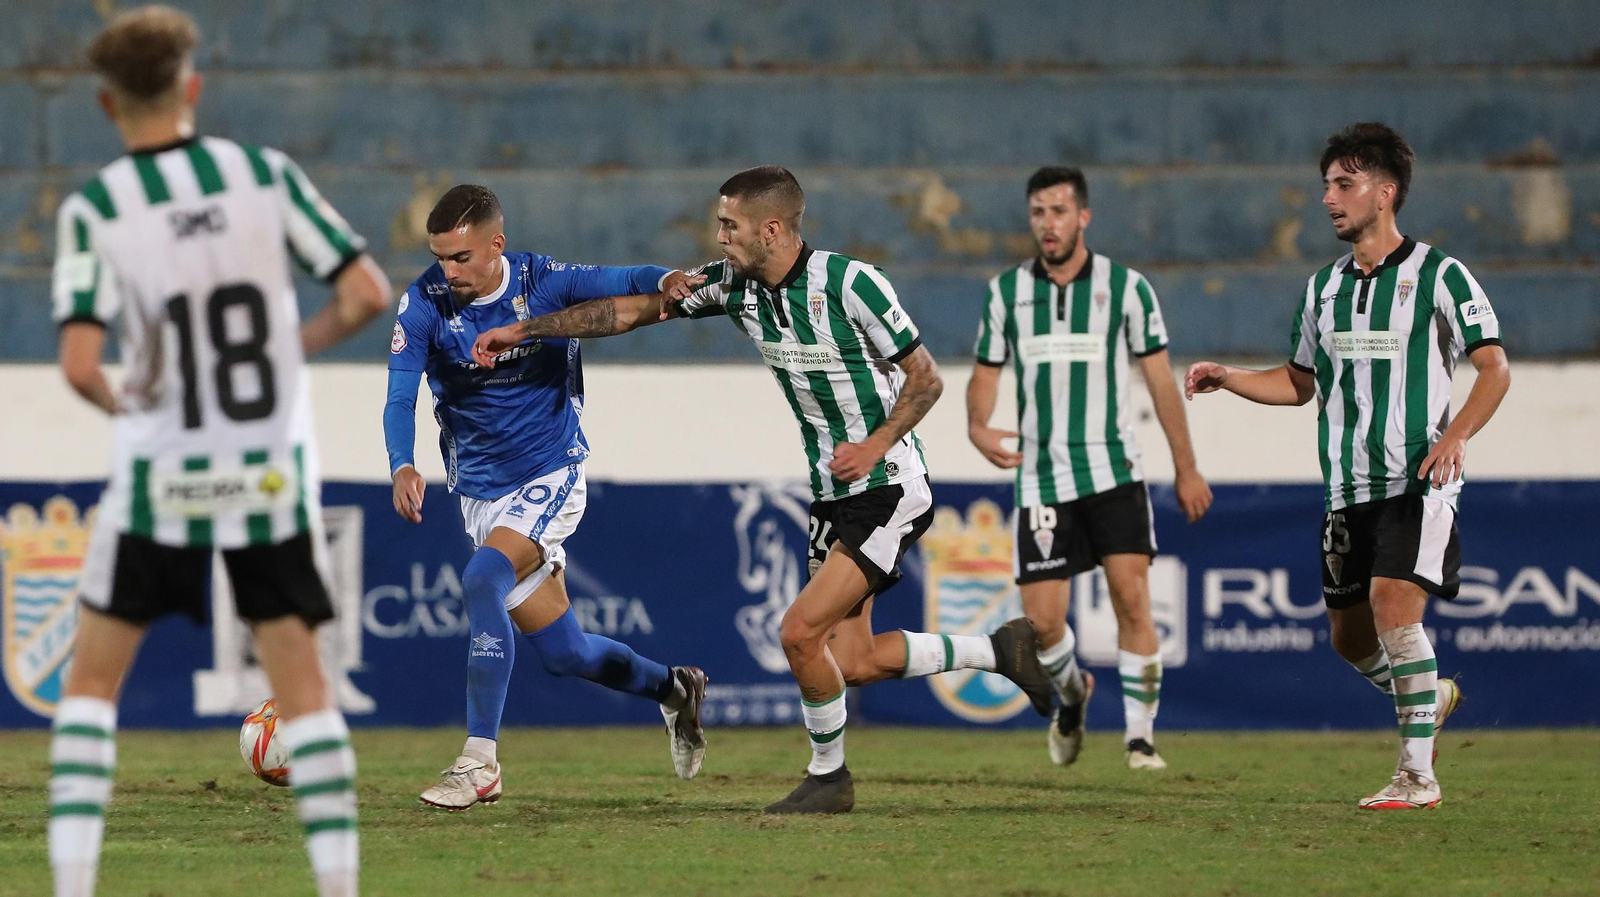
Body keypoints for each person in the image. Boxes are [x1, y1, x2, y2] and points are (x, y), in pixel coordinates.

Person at [472, 166, 1055, 814]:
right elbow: (633, 311)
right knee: (850, 660)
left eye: (730, 226)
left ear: (771, 229)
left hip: (889, 485)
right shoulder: (734, 286)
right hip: (832, 493)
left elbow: (926, 378)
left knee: (798, 633)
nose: (720, 237)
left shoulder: (850, 283)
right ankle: (999, 649)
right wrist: (526, 330)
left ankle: (829, 779)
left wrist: (874, 445)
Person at [47, 7, 391, 896]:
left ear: (106, 104)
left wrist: (129, 402)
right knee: (304, 690)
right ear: (192, 88)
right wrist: (291, 351)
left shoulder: (96, 209)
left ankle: (73, 884)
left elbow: (80, 365)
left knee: (90, 689)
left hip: (159, 475)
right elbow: (365, 291)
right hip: (265, 473)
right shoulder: (262, 175)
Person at [1185, 122, 1510, 809]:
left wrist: (1455, 436)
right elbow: (1299, 382)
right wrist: (1229, 375)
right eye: (1326, 185)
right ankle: (1429, 697)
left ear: (1385, 193)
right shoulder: (1322, 289)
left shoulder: (1440, 275)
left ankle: (1417, 776)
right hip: (1346, 487)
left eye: (1344, 184)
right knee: (1349, 638)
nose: (1329, 198)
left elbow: (1494, 368)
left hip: (1417, 478)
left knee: (1394, 608)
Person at [383, 185, 709, 810]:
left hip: (549, 473)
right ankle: (674, 688)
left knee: (482, 579)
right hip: (481, 494)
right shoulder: (423, 303)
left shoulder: (544, 281)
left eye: (461, 258)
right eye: (440, 258)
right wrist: (402, 464)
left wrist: (666, 278)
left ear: (496, 246)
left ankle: (479, 762)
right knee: (567, 654)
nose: (448, 272)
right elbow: (400, 397)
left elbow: (623, 278)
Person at [967, 167, 1213, 771]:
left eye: (1058, 211)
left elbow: (1160, 382)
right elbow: (986, 375)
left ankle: (1140, 739)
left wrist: (1186, 468)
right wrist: (977, 426)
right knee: (1043, 624)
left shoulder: (1126, 288)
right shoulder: (1006, 292)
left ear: (1083, 217)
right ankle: (1074, 694)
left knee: (1132, 598)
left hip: (1113, 472)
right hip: (1041, 477)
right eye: (1038, 213)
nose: (1047, 224)